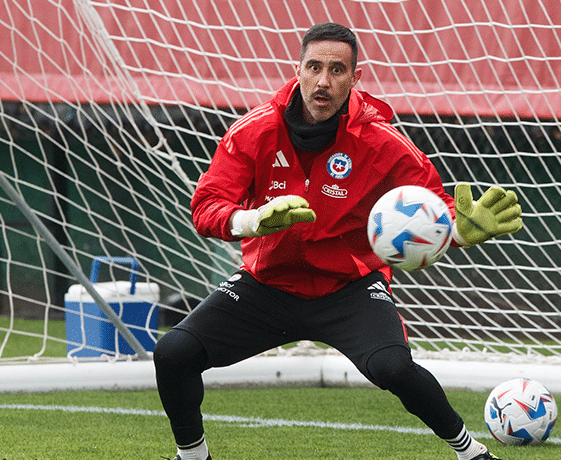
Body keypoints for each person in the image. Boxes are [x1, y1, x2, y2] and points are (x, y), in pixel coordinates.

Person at [154, 22, 522, 460]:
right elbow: (206, 205)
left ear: (355, 77)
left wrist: (461, 229)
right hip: (266, 285)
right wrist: (252, 221)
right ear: (298, 70)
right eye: (314, 67)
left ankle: (470, 452)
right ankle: (193, 456)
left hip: (348, 288)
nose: (323, 81)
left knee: (394, 368)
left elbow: (434, 209)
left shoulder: (381, 140)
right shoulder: (253, 131)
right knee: (173, 352)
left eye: (336, 70)